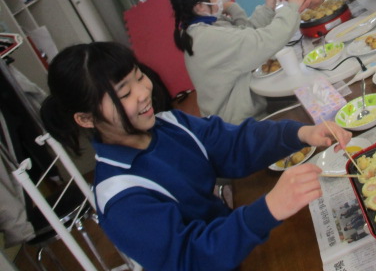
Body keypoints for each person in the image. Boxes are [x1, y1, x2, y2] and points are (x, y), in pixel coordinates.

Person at [39, 41, 351, 271]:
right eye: (124, 93)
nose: (144, 92)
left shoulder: (169, 124)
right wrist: (268, 208)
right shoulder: (120, 197)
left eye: (139, 76)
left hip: (237, 245)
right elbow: (190, 258)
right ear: (86, 119)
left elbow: (233, 145)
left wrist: (300, 134)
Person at [166, 0, 304, 123]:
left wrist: (268, 8)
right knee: (305, 100)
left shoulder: (201, 27)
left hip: (246, 107)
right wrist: (292, 7)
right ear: (199, 7)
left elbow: (246, 35)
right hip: (241, 123)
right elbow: (264, 41)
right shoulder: (207, 38)